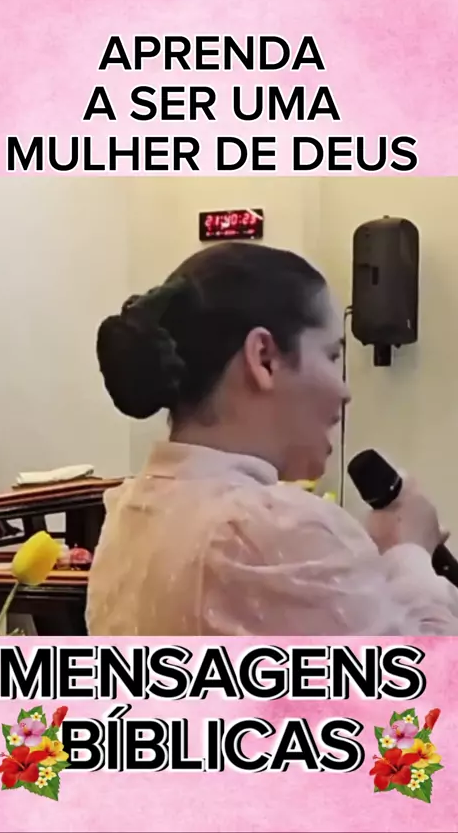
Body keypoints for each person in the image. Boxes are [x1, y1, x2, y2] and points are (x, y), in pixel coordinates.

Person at [86, 242, 458, 635]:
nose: (344, 391)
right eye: (332, 356)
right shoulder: (269, 529)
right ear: (264, 358)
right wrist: (410, 553)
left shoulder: (127, 516)